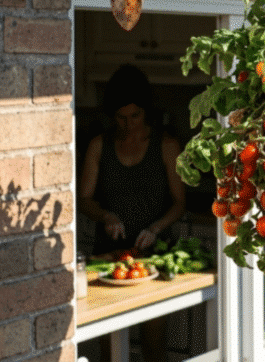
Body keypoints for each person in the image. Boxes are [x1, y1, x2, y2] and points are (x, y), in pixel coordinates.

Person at [79, 64, 186, 362]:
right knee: (110, 349)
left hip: (154, 255)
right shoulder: (99, 145)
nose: (127, 125)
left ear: (146, 112)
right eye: (120, 118)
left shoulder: (167, 146)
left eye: (134, 116)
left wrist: (155, 228)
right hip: (109, 257)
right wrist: (105, 216)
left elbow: (179, 203)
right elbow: (84, 199)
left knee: (153, 346)